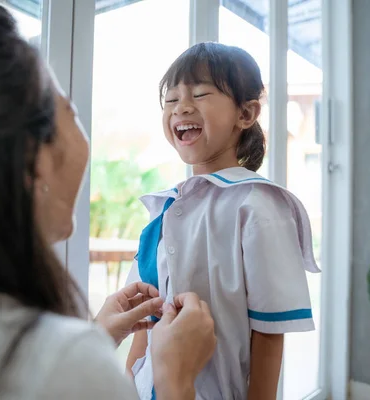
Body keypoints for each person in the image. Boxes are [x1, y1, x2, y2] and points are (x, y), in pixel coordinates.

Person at [0, 1, 216, 399]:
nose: (181, 108)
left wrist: (97, 335)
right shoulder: (61, 364)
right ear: (32, 158)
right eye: (70, 113)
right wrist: (177, 380)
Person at [125, 42, 322, 399]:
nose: (181, 107)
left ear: (245, 114)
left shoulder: (259, 205)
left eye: (199, 94)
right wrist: (127, 384)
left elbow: (269, 330)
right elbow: (147, 314)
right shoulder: (163, 208)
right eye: (171, 100)